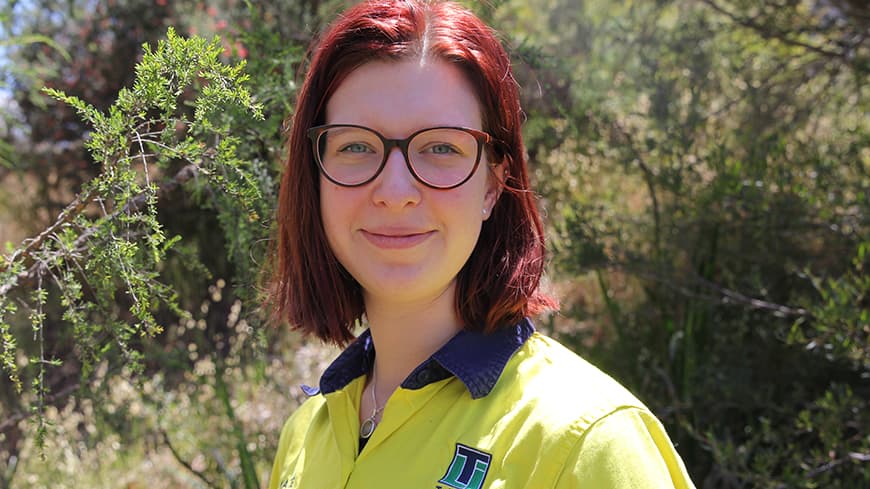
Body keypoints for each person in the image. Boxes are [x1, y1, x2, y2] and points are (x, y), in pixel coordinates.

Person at [268, 1, 695, 487]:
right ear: (316, 178)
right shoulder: (304, 435)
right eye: (356, 146)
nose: (395, 191)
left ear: (492, 186)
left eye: (441, 147)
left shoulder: (588, 441)